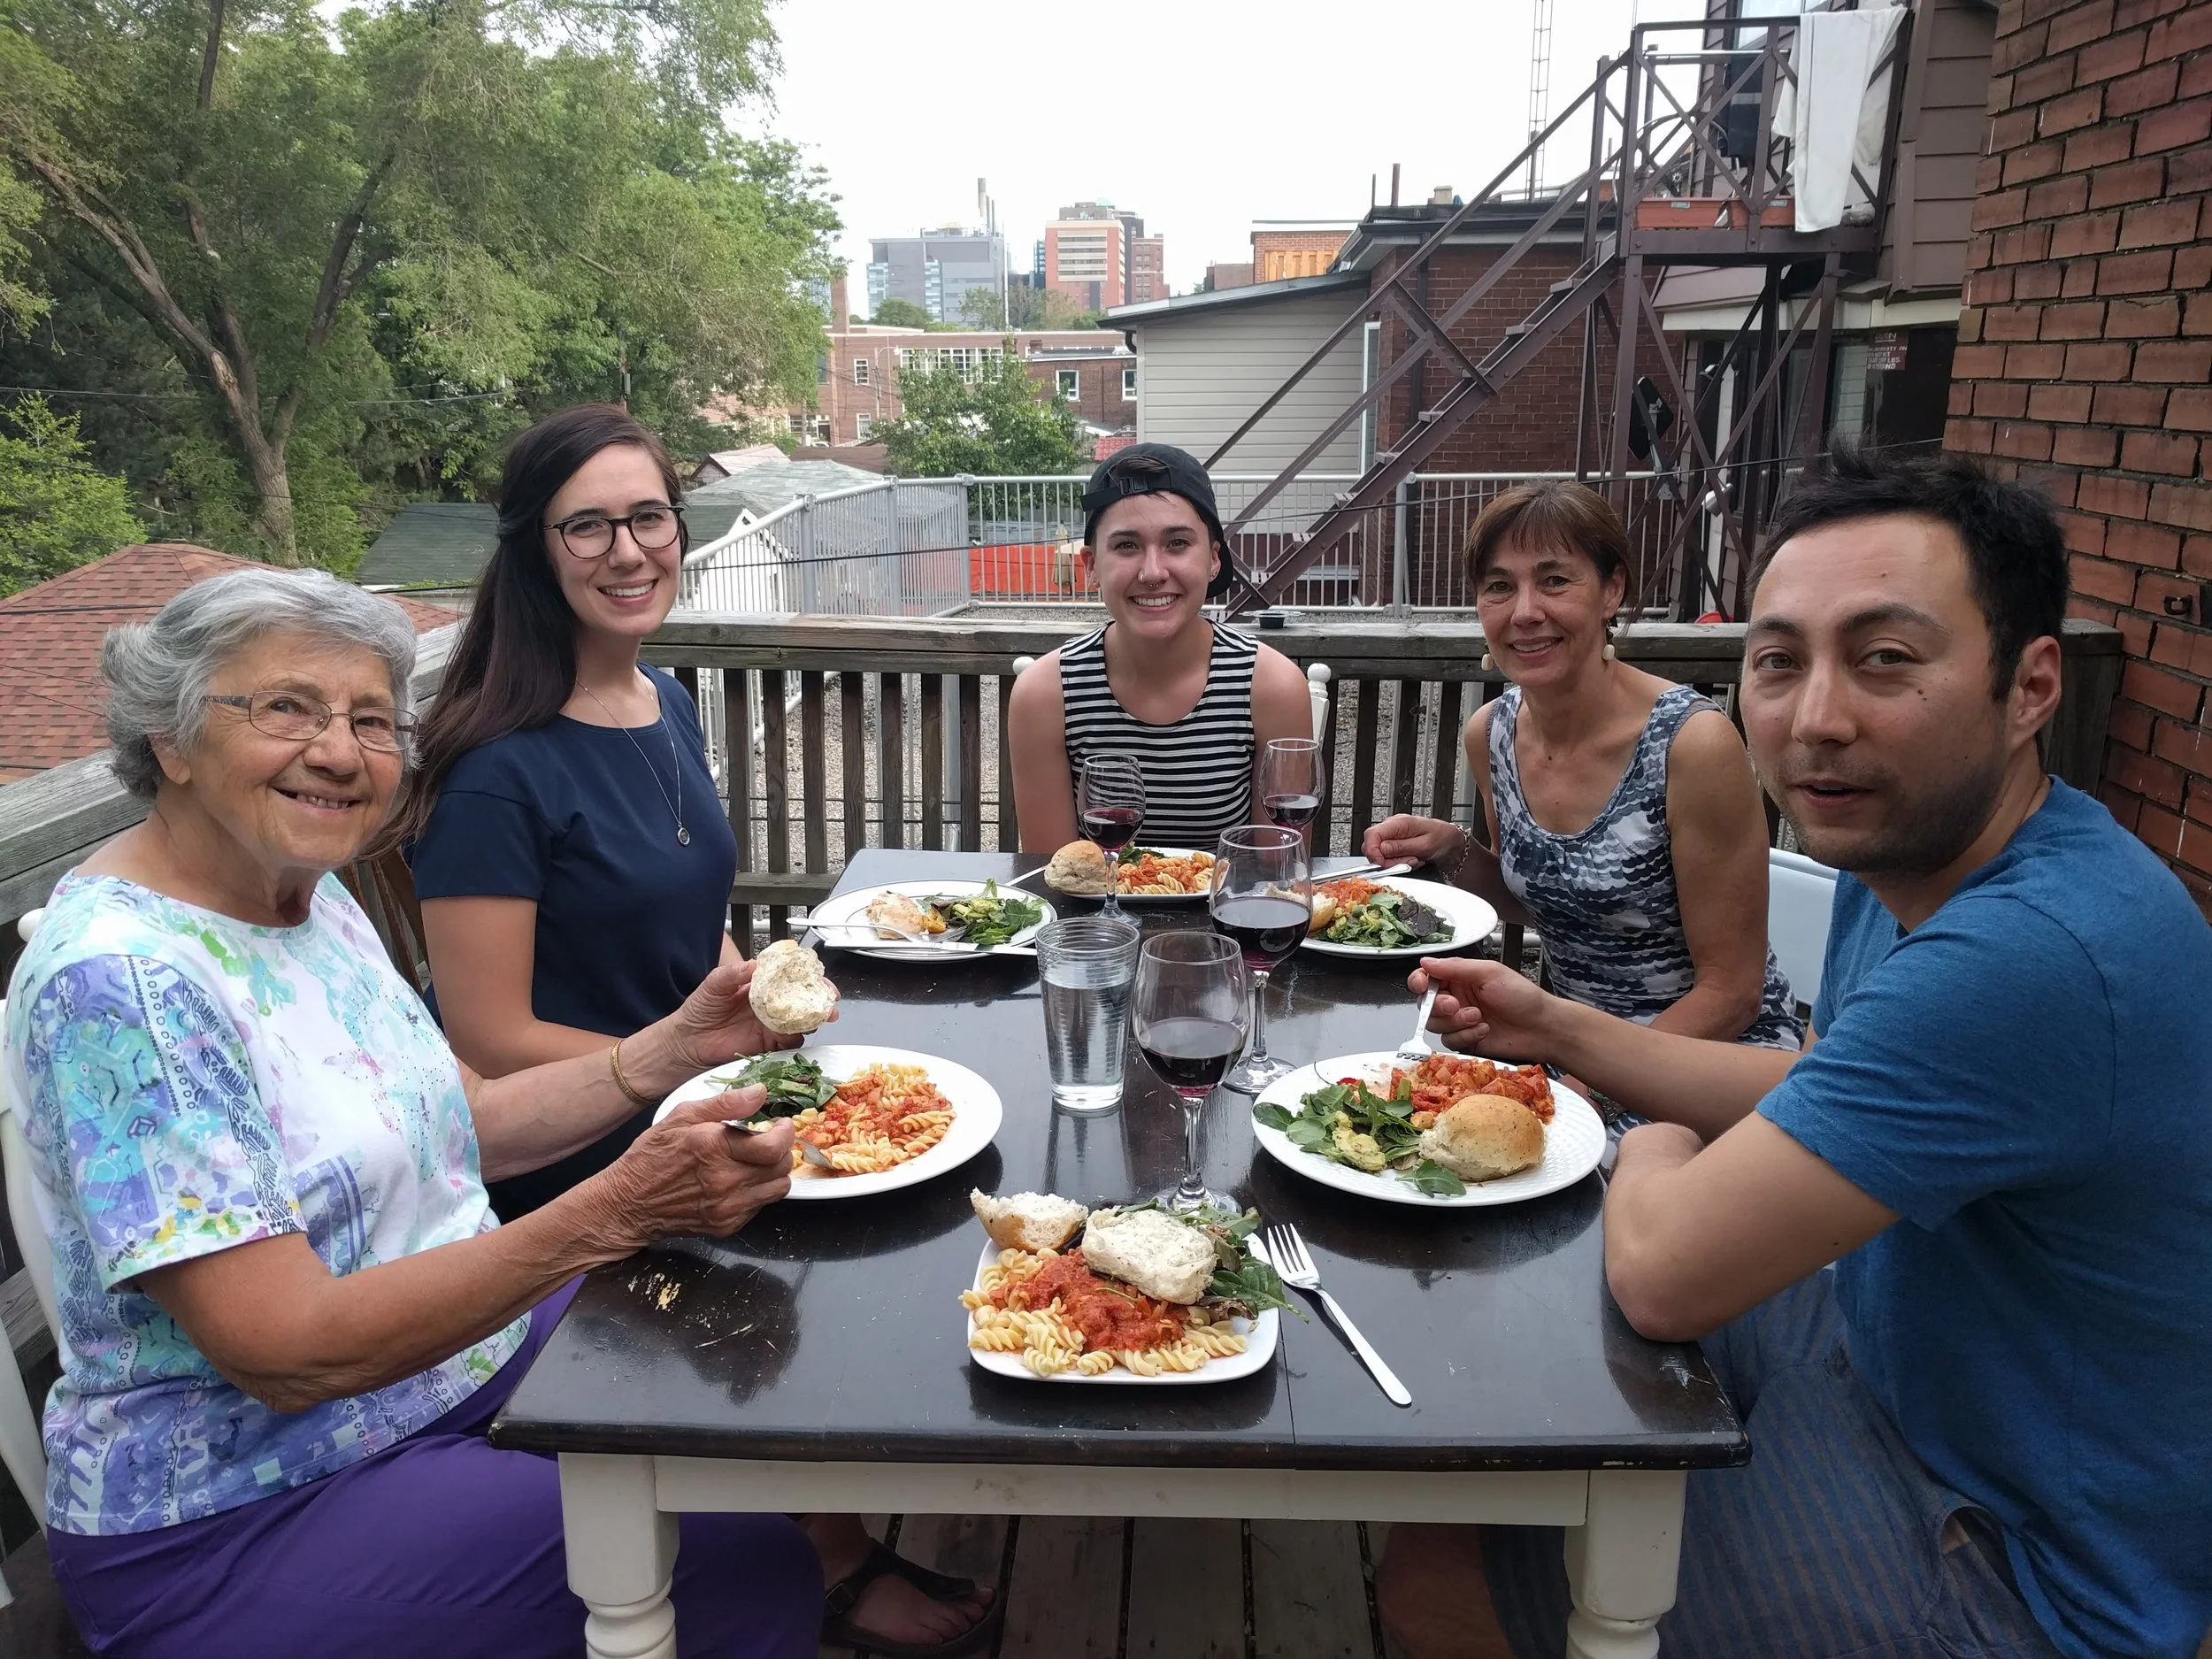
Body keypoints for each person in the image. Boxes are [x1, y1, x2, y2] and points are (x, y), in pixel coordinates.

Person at [1378, 448, 2212, 1659]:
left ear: (2031, 685)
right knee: (1506, 1396)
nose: (1818, 719)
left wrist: (1634, 1126)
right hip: (1876, 1339)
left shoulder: (2032, 952)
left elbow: (1663, 1271)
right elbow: (1814, 1080)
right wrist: (1552, 1027)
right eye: (1779, 661)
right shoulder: (1915, 856)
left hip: (2011, 1549)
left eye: (1886, 657)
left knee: (1434, 1574)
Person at [3, 567, 820, 1657]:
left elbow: (456, 1123)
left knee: (755, 1359)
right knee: (744, 1561)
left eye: (372, 720)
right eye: (287, 707)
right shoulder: (123, 982)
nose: (340, 752)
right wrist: (614, 1212)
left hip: (450, 1373)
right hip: (246, 1502)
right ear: (172, 740)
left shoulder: (306, 893)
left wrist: (669, 1051)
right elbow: (281, 1350)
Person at [397, 405, 993, 1656]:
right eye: (588, 526)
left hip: (702, 1091)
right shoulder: (496, 770)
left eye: (649, 516)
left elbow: (690, 922)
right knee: (838, 1262)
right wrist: (684, 1061)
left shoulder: (662, 698)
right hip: (575, 1152)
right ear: (534, 548)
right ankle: (821, 1551)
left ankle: (827, 1513)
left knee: (932, 1188)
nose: (628, 549)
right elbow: (488, 1037)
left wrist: (755, 1007)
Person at [1364, 481, 1800, 1049]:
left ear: (1611, 591)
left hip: (1712, 1057)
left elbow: (1732, 994)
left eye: (1554, 581)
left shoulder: (1690, 743)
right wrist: (1451, 849)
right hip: (1570, 1048)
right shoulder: (1491, 734)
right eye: (1500, 586)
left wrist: (1582, 1079)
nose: (1525, 612)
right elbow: (1545, 903)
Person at [1007, 443, 1313, 850]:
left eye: (1177, 543)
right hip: (1095, 897)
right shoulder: (1044, 694)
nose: (1152, 573)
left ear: (1214, 559)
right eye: (1127, 546)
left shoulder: (1270, 686)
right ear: (1092, 565)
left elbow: (1276, 869)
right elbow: (1056, 871)